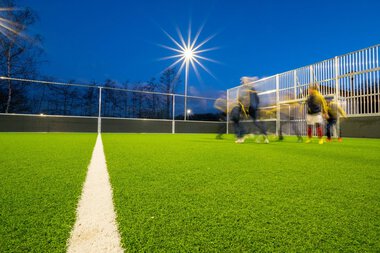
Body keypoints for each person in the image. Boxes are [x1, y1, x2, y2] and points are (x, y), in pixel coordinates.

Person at [238, 77, 269, 143]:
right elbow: (240, 99)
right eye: (244, 80)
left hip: (250, 108)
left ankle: (242, 138)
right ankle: (265, 137)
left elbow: (240, 99)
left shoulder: (247, 88)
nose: (245, 81)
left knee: (248, 122)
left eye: (245, 80)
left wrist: (255, 106)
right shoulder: (247, 88)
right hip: (248, 108)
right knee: (252, 122)